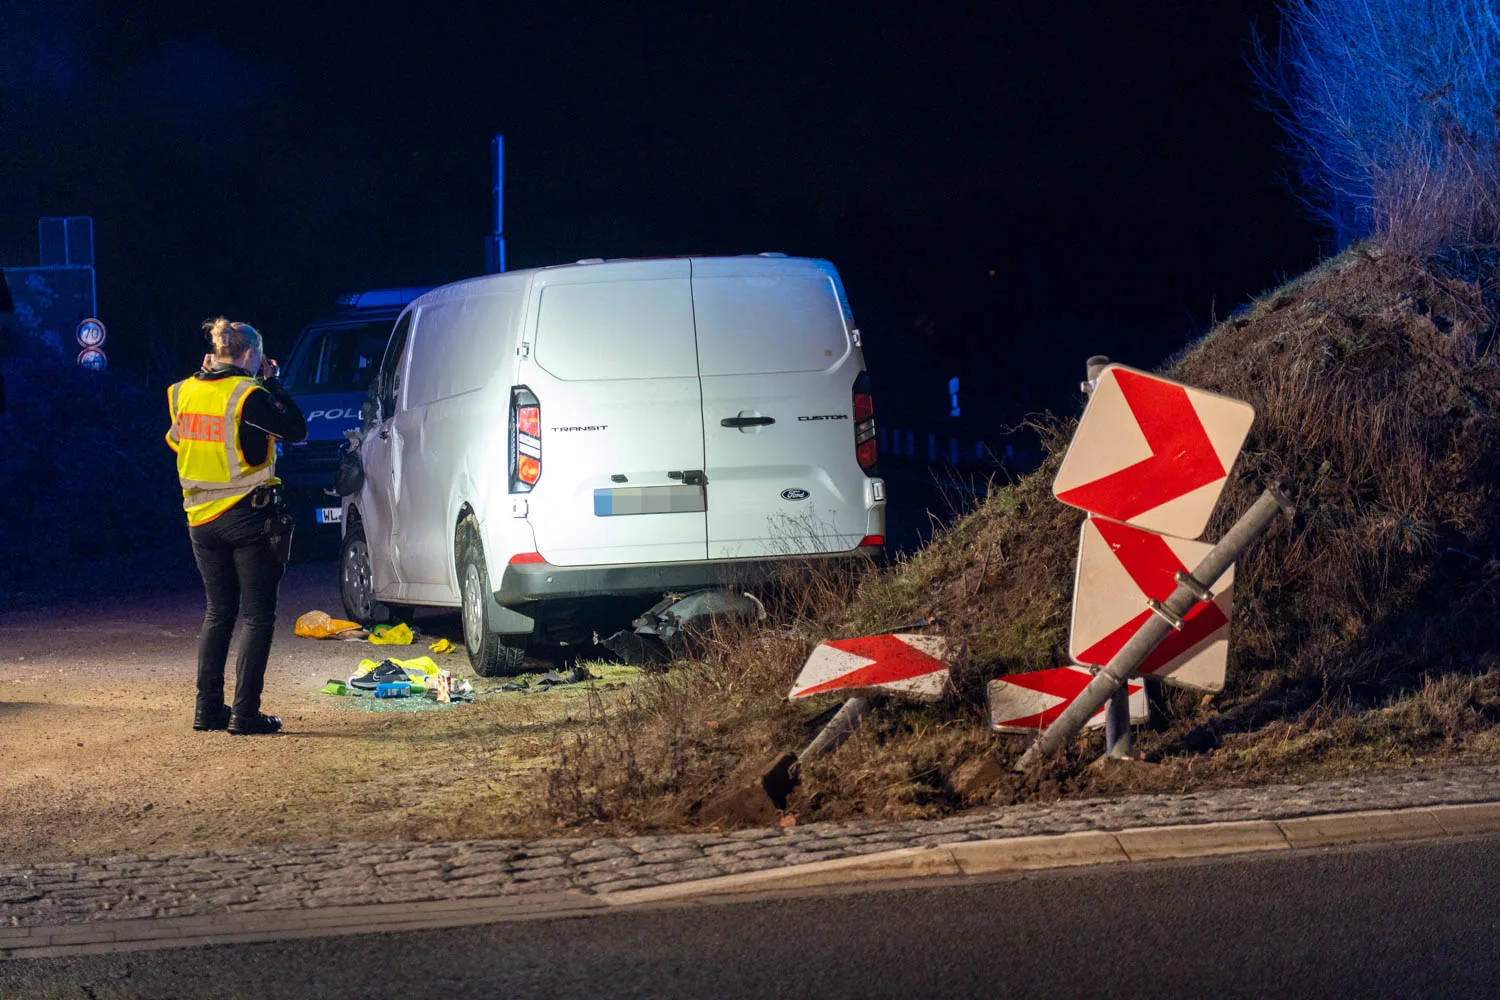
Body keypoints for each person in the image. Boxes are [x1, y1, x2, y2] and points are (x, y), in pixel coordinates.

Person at [167, 317, 307, 735]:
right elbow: (296, 429)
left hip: (200, 520)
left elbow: (177, 441)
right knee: (257, 617)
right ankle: (245, 714)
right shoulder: (249, 394)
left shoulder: (181, 392)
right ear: (250, 355)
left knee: (218, 612)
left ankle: (208, 709)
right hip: (248, 516)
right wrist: (273, 383)